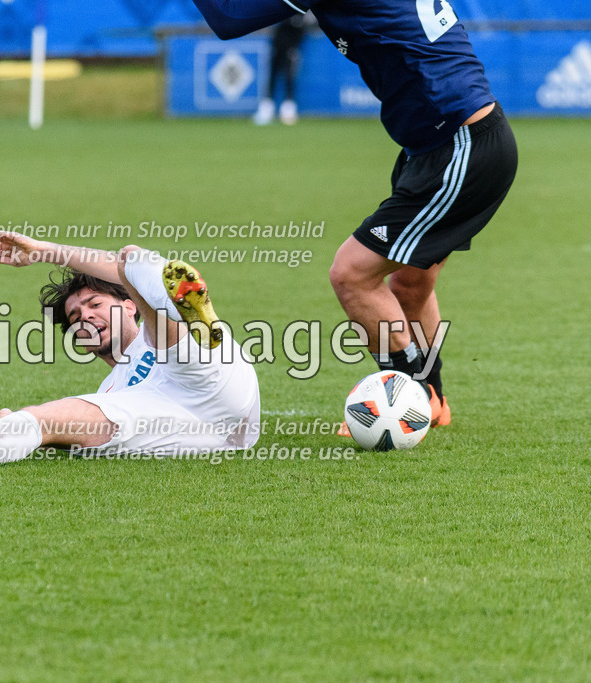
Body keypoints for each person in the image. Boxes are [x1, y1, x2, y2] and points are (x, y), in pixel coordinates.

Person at [191, 0, 518, 431]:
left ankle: (412, 398)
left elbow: (229, 19)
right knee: (411, 279)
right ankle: (432, 400)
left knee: (352, 274)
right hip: (441, 144)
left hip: (461, 144)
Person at [0, 232, 261, 472]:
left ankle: (192, 315)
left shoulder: (147, 329)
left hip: (213, 381)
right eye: (75, 316)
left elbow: (120, 267)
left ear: (128, 304)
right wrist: (18, 426)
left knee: (134, 260)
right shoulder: (112, 391)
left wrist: (44, 251)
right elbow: (67, 430)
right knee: (42, 415)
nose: (85, 318)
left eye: (95, 305)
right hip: (196, 432)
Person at [254, 14, 310, 126]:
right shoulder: (283, 12)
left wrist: (294, 48)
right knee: (272, 78)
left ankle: (288, 111)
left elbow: (301, 32)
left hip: (290, 50)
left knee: (289, 79)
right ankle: (267, 109)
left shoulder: (300, 16)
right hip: (277, 49)